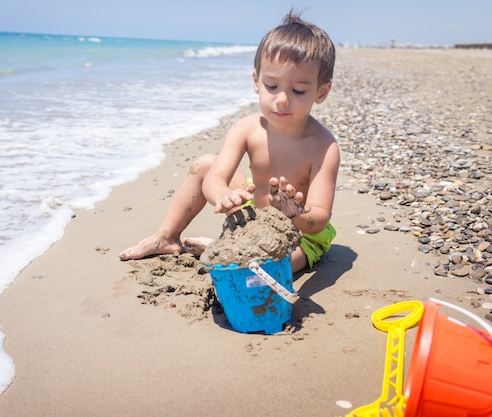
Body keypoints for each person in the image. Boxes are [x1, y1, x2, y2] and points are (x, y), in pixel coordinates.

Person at [119, 9, 339, 273]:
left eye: (298, 91)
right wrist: (223, 195)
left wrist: (296, 213)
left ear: (321, 92)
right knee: (204, 164)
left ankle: (222, 247)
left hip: (302, 235)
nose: (282, 99)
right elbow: (214, 177)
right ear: (256, 82)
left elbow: (320, 218)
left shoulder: (324, 147)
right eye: (272, 86)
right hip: (255, 214)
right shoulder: (245, 128)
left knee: (269, 267)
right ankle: (166, 237)